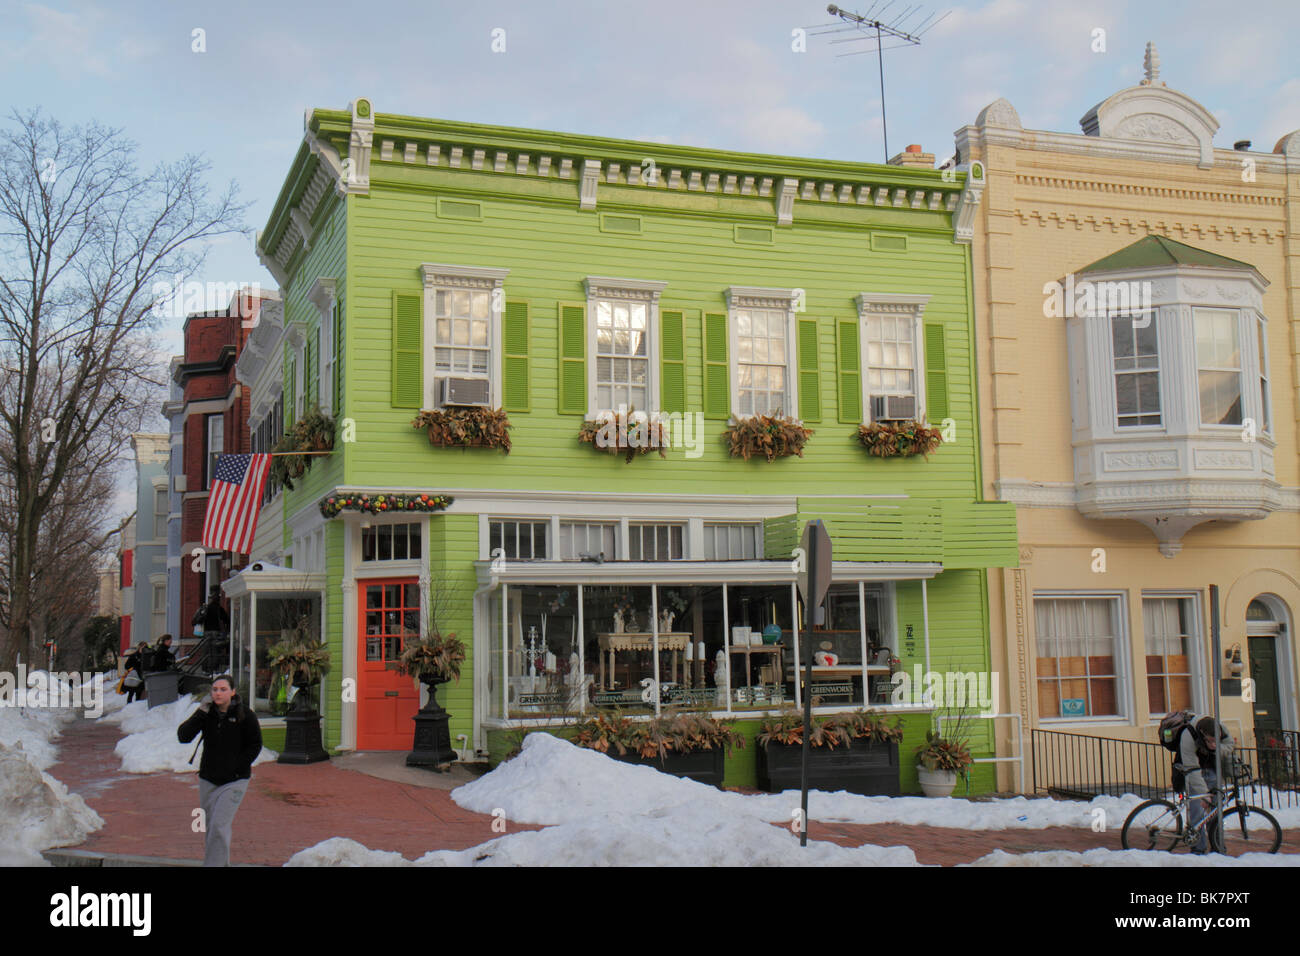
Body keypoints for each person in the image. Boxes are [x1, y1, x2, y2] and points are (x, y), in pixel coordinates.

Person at [176, 675, 262, 867]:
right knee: (211, 828)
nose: (218, 693)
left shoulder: (245, 715)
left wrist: (238, 766)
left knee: (219, 826)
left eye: (223, 689)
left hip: (235, 780)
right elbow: (183, 736)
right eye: (215, 689)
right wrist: (201, 712)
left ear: (232, 692)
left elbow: (255, 744)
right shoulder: (207, 714)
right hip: (209, 779)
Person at [1176, 716, 1239, 854]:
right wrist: (1203, 795)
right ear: (1202, 736)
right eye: (1210, 741)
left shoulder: (1220, 728)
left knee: (1216, 811)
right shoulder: (1188, 736)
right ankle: (1198, 848)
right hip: (1194, 772)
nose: (1213, 743)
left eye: (1216, 740)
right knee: (1197, 812)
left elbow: (1229, 745)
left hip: (1212, 770)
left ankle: (1218, 845)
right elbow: (1191, 767)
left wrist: (1215, 749)